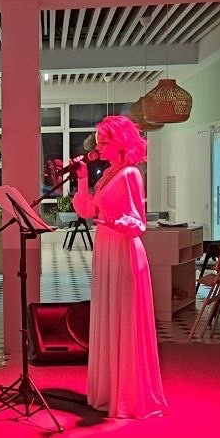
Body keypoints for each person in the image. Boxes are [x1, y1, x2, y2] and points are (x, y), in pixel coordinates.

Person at [71, 114, 166, 419]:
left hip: (124, 252)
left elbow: (138, 224)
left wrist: (113, 221)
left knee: (123, 318)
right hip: (107, 249)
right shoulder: (109, 174)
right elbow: (87, 210)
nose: (97, 145)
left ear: (121, 143)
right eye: (98, 140)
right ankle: (110, 391)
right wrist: (82, 179)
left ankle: (129, 396)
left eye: (103, 141)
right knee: (109, 317)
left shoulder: (131, 175)